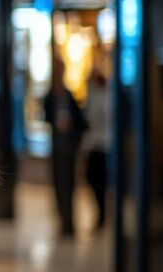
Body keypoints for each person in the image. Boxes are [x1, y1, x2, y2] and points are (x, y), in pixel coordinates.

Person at [44, 56, 89, 237]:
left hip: (68, 148)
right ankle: (63, 218)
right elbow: (46, 116)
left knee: (69, 184)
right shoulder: (50, 95)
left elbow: (81, 121)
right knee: (58, 184)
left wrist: (73, 132)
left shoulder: (69, 95)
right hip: (56, 148)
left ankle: (70, 220)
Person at [82, 68, 109, 230]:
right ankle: (102, 213)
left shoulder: (98, 99)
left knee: (96, 180)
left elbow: (91, 122)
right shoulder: (107, 98)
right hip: (102, 145)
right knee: (98, 181)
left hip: (99, 145)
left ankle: (102, 213)